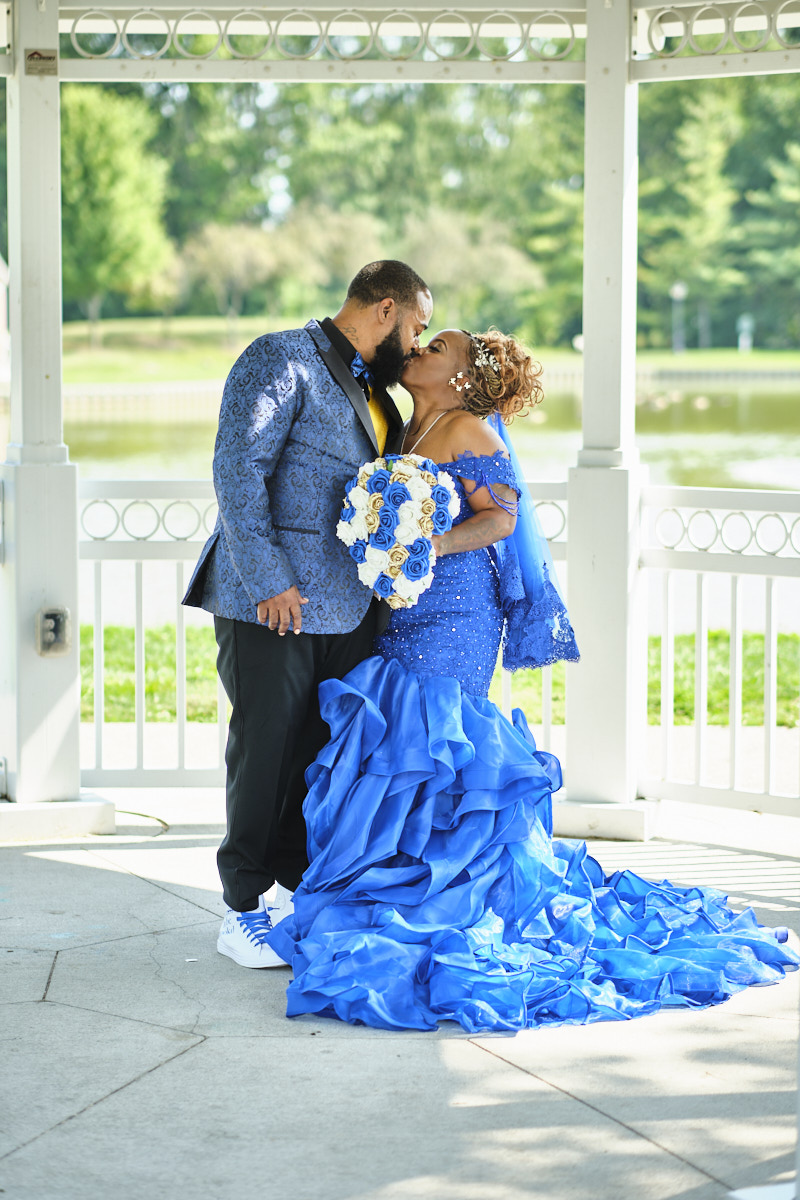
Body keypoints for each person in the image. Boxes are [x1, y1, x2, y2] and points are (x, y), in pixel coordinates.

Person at [267, 327, 799, 1032]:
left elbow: (500, 517)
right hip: (406, 606)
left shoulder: (468, 430)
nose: (419, 351)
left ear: (463, 377)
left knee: (437, 731)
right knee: (398, 729)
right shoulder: (406, 423)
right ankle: (398, 875)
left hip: (457, 612)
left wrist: (425, 545)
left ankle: (447, 890)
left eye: (436, 347)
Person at [182, 260, 433, 969]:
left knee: (316, 757)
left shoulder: (375, 386)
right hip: (273, 605)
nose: (417, 343)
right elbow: (238, 469)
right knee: (264, 752)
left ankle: (298, 896)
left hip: (349, 610)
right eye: (416, 326)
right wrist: (270, 580)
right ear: (384, 309)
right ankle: (241, 908)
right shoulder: (278, 357)